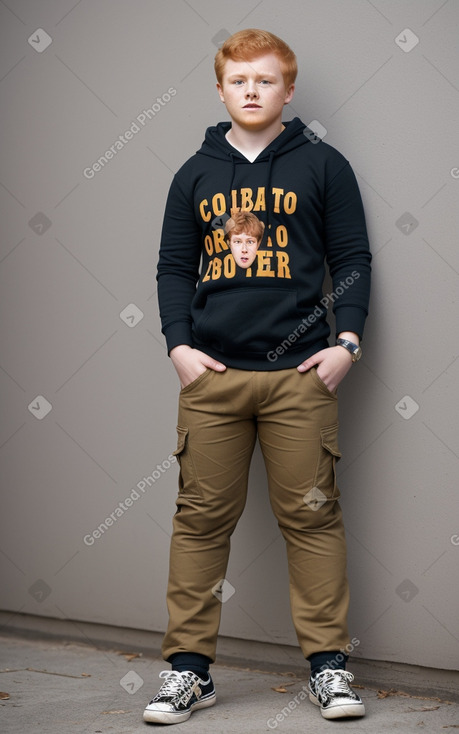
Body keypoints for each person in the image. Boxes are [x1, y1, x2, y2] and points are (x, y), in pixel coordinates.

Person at [144, 28, 371, 725]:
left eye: (265, 81)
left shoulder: (322, 165)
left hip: (298, 379)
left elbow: (353, 257)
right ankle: (189, 673)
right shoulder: (194, 173)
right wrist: (178, 347)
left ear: (287, 90)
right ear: (220, 90)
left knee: (311, 520)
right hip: (212, 380)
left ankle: (328, 670)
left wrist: (346, 343)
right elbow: (174, 268)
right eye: (239, 81)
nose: (251, 91)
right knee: (199, 523)